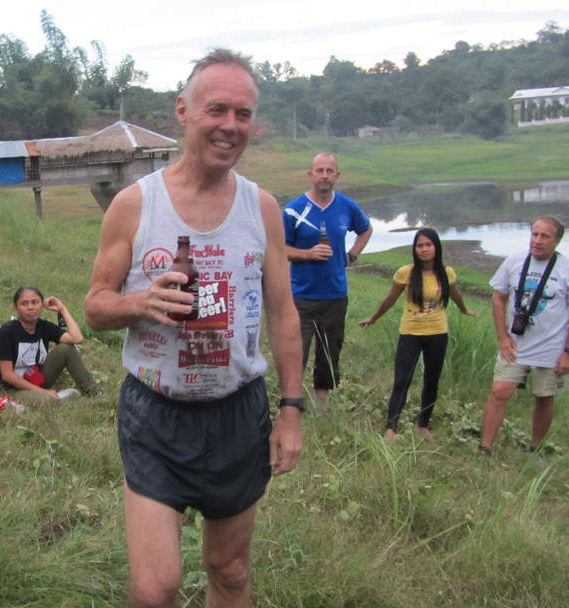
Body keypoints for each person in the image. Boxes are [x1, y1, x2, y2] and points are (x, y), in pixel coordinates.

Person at [83, 49, 304, 608]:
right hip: (155, 414)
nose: (231, 125)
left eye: (243, 114)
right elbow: (95, 307)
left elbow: (283, 313)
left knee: (230, 571)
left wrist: (291, 410)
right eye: (217, 109)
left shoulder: (262, 208)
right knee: (154, 588)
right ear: (183, 111)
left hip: (238, 413)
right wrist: (141, 302)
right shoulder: (135, 205)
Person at [479, 216, 569, 455]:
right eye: (534, 234)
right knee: (499, 391)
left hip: (551, 350)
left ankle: (535, 449)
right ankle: (485, 448)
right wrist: (503, 337)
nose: (537, 241)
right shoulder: (514, 261)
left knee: (544, 397)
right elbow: (498, 297)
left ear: (557, 241)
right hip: (515, 346)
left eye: (544, 236)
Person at [358, 228, 477, 440]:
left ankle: (423, 425)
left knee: (431, 381)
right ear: (415, 249)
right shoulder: (406, 273)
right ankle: (391, 428)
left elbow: (456, 295)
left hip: (438, 333)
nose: (424, 249)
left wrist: (464, 309)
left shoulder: (447, 273)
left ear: (436, 247)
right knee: (402, 381)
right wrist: (374, 317)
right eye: (420, 245)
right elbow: (390, 298)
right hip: (410, 333)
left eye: (428, 245)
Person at [283, 152, 372, 412]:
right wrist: (307, 254)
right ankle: (291, 409)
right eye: (319, 170)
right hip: (301, 297)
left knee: (329, 355)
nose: (324, 176)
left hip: (335, 295)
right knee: (295, 355)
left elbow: (365, 229)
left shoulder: (346, 206)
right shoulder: (293, 210)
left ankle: (321, 411)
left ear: (337, 175)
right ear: (310, 174)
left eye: (329, 171)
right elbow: (279, 249)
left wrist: (352, 255)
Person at [0, 286, 98, 407]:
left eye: (35, 302)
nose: (30, 307)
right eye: (24, 304)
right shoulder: (7, 332)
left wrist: (62, 309)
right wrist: (42, 391)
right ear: (16, 309)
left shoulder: (44, 327)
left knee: (66, 348)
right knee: (47, 401)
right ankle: (62, 396)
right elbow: (7, 375)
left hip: (37, 379)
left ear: (42, 305)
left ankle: (92, 392)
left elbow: (77, 338)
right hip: (13, 388)